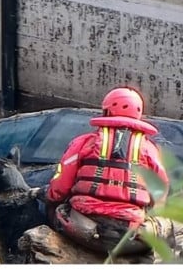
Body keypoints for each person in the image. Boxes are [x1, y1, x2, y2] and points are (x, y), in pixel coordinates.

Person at [43, 87, 177, 254]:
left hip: (82, 228)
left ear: (107, 111)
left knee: (53, 208)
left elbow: (60, 185)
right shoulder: (149, 149)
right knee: (167, 225)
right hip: (130, 239)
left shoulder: (85, 142)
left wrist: (50, 198)